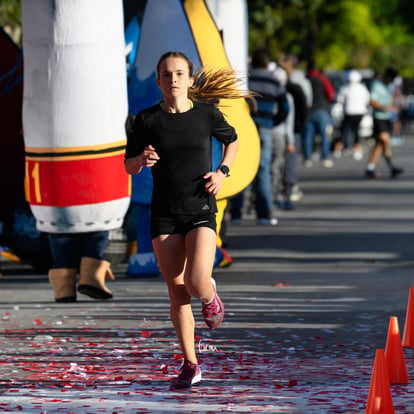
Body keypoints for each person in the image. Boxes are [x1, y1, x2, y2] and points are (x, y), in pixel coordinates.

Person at [124, 51, 245, 390]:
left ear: (190, 80)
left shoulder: (206, 115)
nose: (173, 79)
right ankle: (191, 365)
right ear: (159, 81)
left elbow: (232, 141)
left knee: (195, 281)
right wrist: (141, 159)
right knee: (177, 294)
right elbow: (128, 165)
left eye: (179, 73)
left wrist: (222, 172)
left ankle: (210, 296)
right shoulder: (145, 121)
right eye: (166, 74)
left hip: (200, 208)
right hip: (164, 213)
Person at [247, 48, 289, 224]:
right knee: (263, 170)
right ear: (266, 64)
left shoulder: (245, 79)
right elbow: (285, 106)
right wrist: (274, 121)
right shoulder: (274, 81)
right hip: (265, 128)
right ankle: (264, 214)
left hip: (245, 128)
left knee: (240, 167)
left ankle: (235, 213)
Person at [365, 66, 404, 178]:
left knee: (379, 144)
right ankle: (390, 166)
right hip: (378, 117)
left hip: (387, 118)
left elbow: (392, 98)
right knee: (385, 139)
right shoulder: (376, 85)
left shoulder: (390, 86)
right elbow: (372, 102)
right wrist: (385, 107)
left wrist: (395, 106)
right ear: (386, 76)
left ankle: (370, 167)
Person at [303, 61, 336, 167]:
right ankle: (325, 157)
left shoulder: (305, 79)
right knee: (324, 135)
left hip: (308, 110)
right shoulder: (322, 78)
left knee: (308, 135)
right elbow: (331, 94)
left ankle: (307, 158)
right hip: (321, 109)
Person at [333, 70, 370, 160]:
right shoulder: (362, 88)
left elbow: (339, 100)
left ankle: (338, 149)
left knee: (344, 130)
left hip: (349, 112)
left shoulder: (346, 88)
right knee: (356, 131)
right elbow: (367, 99)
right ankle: (357, 150)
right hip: (360, 112)